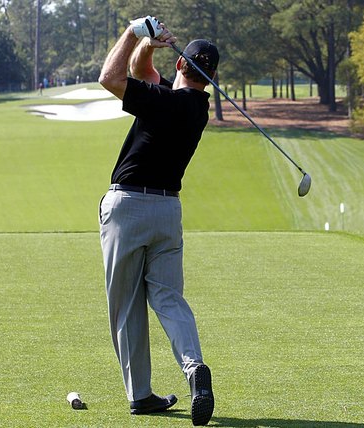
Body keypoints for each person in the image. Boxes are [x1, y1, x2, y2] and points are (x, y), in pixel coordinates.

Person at [98, 15, 217, 426]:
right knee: (169, 299)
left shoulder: (164, 101)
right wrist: (150, 43)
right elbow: (141, 72)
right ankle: (194, 367)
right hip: (168, 211)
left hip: (129, 208)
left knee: (126, 306)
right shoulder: (194, 106)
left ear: (182, 66)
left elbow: (110, 78)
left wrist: (133, 31)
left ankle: (141, 395)